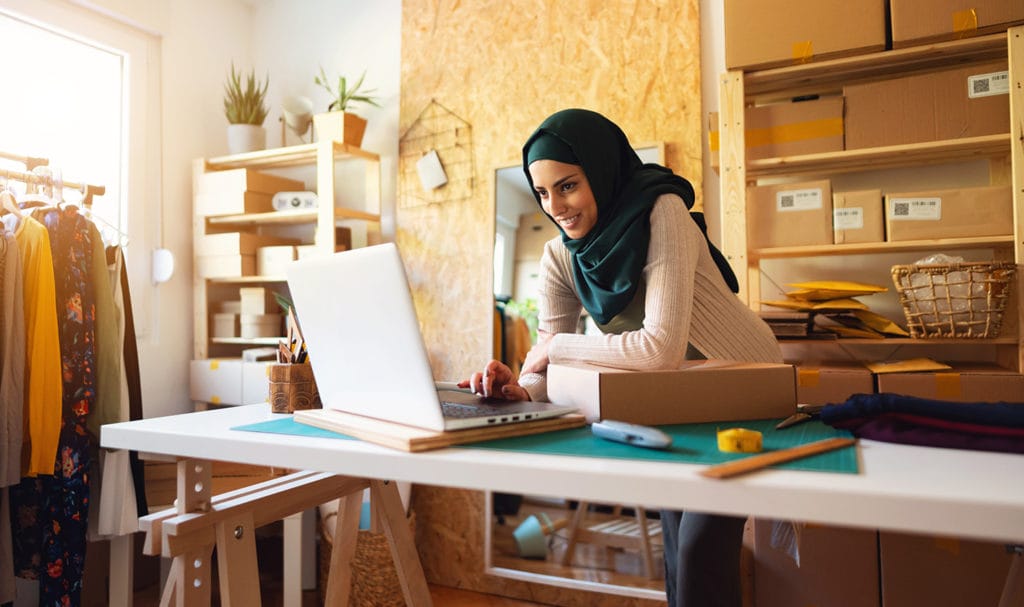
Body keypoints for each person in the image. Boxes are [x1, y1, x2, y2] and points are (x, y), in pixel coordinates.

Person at [460, 108, 783, 606]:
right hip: (675, 401)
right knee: (677, 545)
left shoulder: (663, 212)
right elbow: (546, 361)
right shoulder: (560, 258)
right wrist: (520, 387)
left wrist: (556, 351)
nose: (556, 207)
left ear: (602, 169)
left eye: (567, 186)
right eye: (543, 193)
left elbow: (658, 349)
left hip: (746, 389)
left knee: (700, 549)